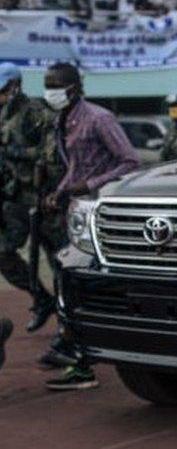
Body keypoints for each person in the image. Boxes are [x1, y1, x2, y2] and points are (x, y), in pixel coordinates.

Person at [41, 62, 140, 390]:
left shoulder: (99, 118)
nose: (49, 91)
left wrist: (91, 185)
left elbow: (129, 161)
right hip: (76, 212)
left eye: (54, 85)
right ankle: (73, 350)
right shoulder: (63, 120)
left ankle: (85, 357)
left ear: (73, 87)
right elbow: (75, 167)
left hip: (102, 213)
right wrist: (60, 192)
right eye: (46, 85)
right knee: (67, 280)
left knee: (89, 284)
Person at [0, 62, 59, 332]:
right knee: (3, 253)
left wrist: (16, 151)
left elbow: (51, 154)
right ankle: (41, 298)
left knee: (55, 257)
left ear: (15, 86)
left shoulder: (35, 111)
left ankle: (68, 319)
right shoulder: (4, 114)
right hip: (15, 198)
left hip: (42, 198)